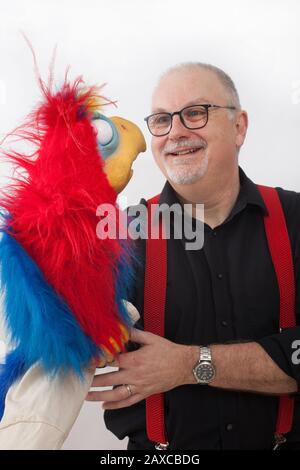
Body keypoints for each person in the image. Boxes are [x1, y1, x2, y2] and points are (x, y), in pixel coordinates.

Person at [85, 62, 300, 450]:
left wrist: (187, 365)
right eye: (162, 120)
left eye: (195, 113)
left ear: (239, 127)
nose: (176, 132)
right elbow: (78, 340)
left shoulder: (296, 218)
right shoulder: (118, 234)